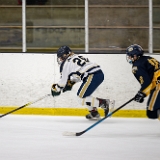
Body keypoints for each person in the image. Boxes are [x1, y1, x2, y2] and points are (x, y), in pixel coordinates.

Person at [51, 46, 115, 120]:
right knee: (86, 96)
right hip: (98, 74)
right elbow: (79, 72)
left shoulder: (65, 63)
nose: (60, 60)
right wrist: (71, 83)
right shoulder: (77, 56)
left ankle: (105, 103)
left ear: (64, 55)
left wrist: (56, 89)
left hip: (92, 76)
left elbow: (62, 82)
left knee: (80, 98)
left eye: (60, 58)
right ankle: (94, 113)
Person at [126, 44, 160, 120]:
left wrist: (142, 94)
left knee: (152, 112)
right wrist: (142, 93)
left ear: (135, 55)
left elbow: (147, 83)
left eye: (130, 55)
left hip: (158, 86)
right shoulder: (147, 59)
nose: (129, 57)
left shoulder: (137, 66)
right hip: (157, 85)